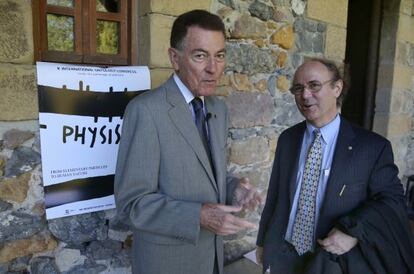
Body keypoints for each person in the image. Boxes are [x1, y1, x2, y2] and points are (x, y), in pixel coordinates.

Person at [114, 10, 261, 274]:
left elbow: (204, 173)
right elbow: (131, 204)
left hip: (211, 260)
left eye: (220, 56)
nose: (213, 68)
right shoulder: (145, 111)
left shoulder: (218, 108)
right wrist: (199, 216)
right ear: (175, 58)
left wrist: (234, 188)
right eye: (200, 55)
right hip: (167, 264)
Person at [256, 58, 414, 273]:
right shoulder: (288, 139)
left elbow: (393, 201)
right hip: (284, 255)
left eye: (314, 86)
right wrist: (263, 242)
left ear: (337, 88)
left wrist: (354, 231)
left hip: (333, 262)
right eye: (298, 88)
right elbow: (275, 196)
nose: (305, 95)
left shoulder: (371, 147)